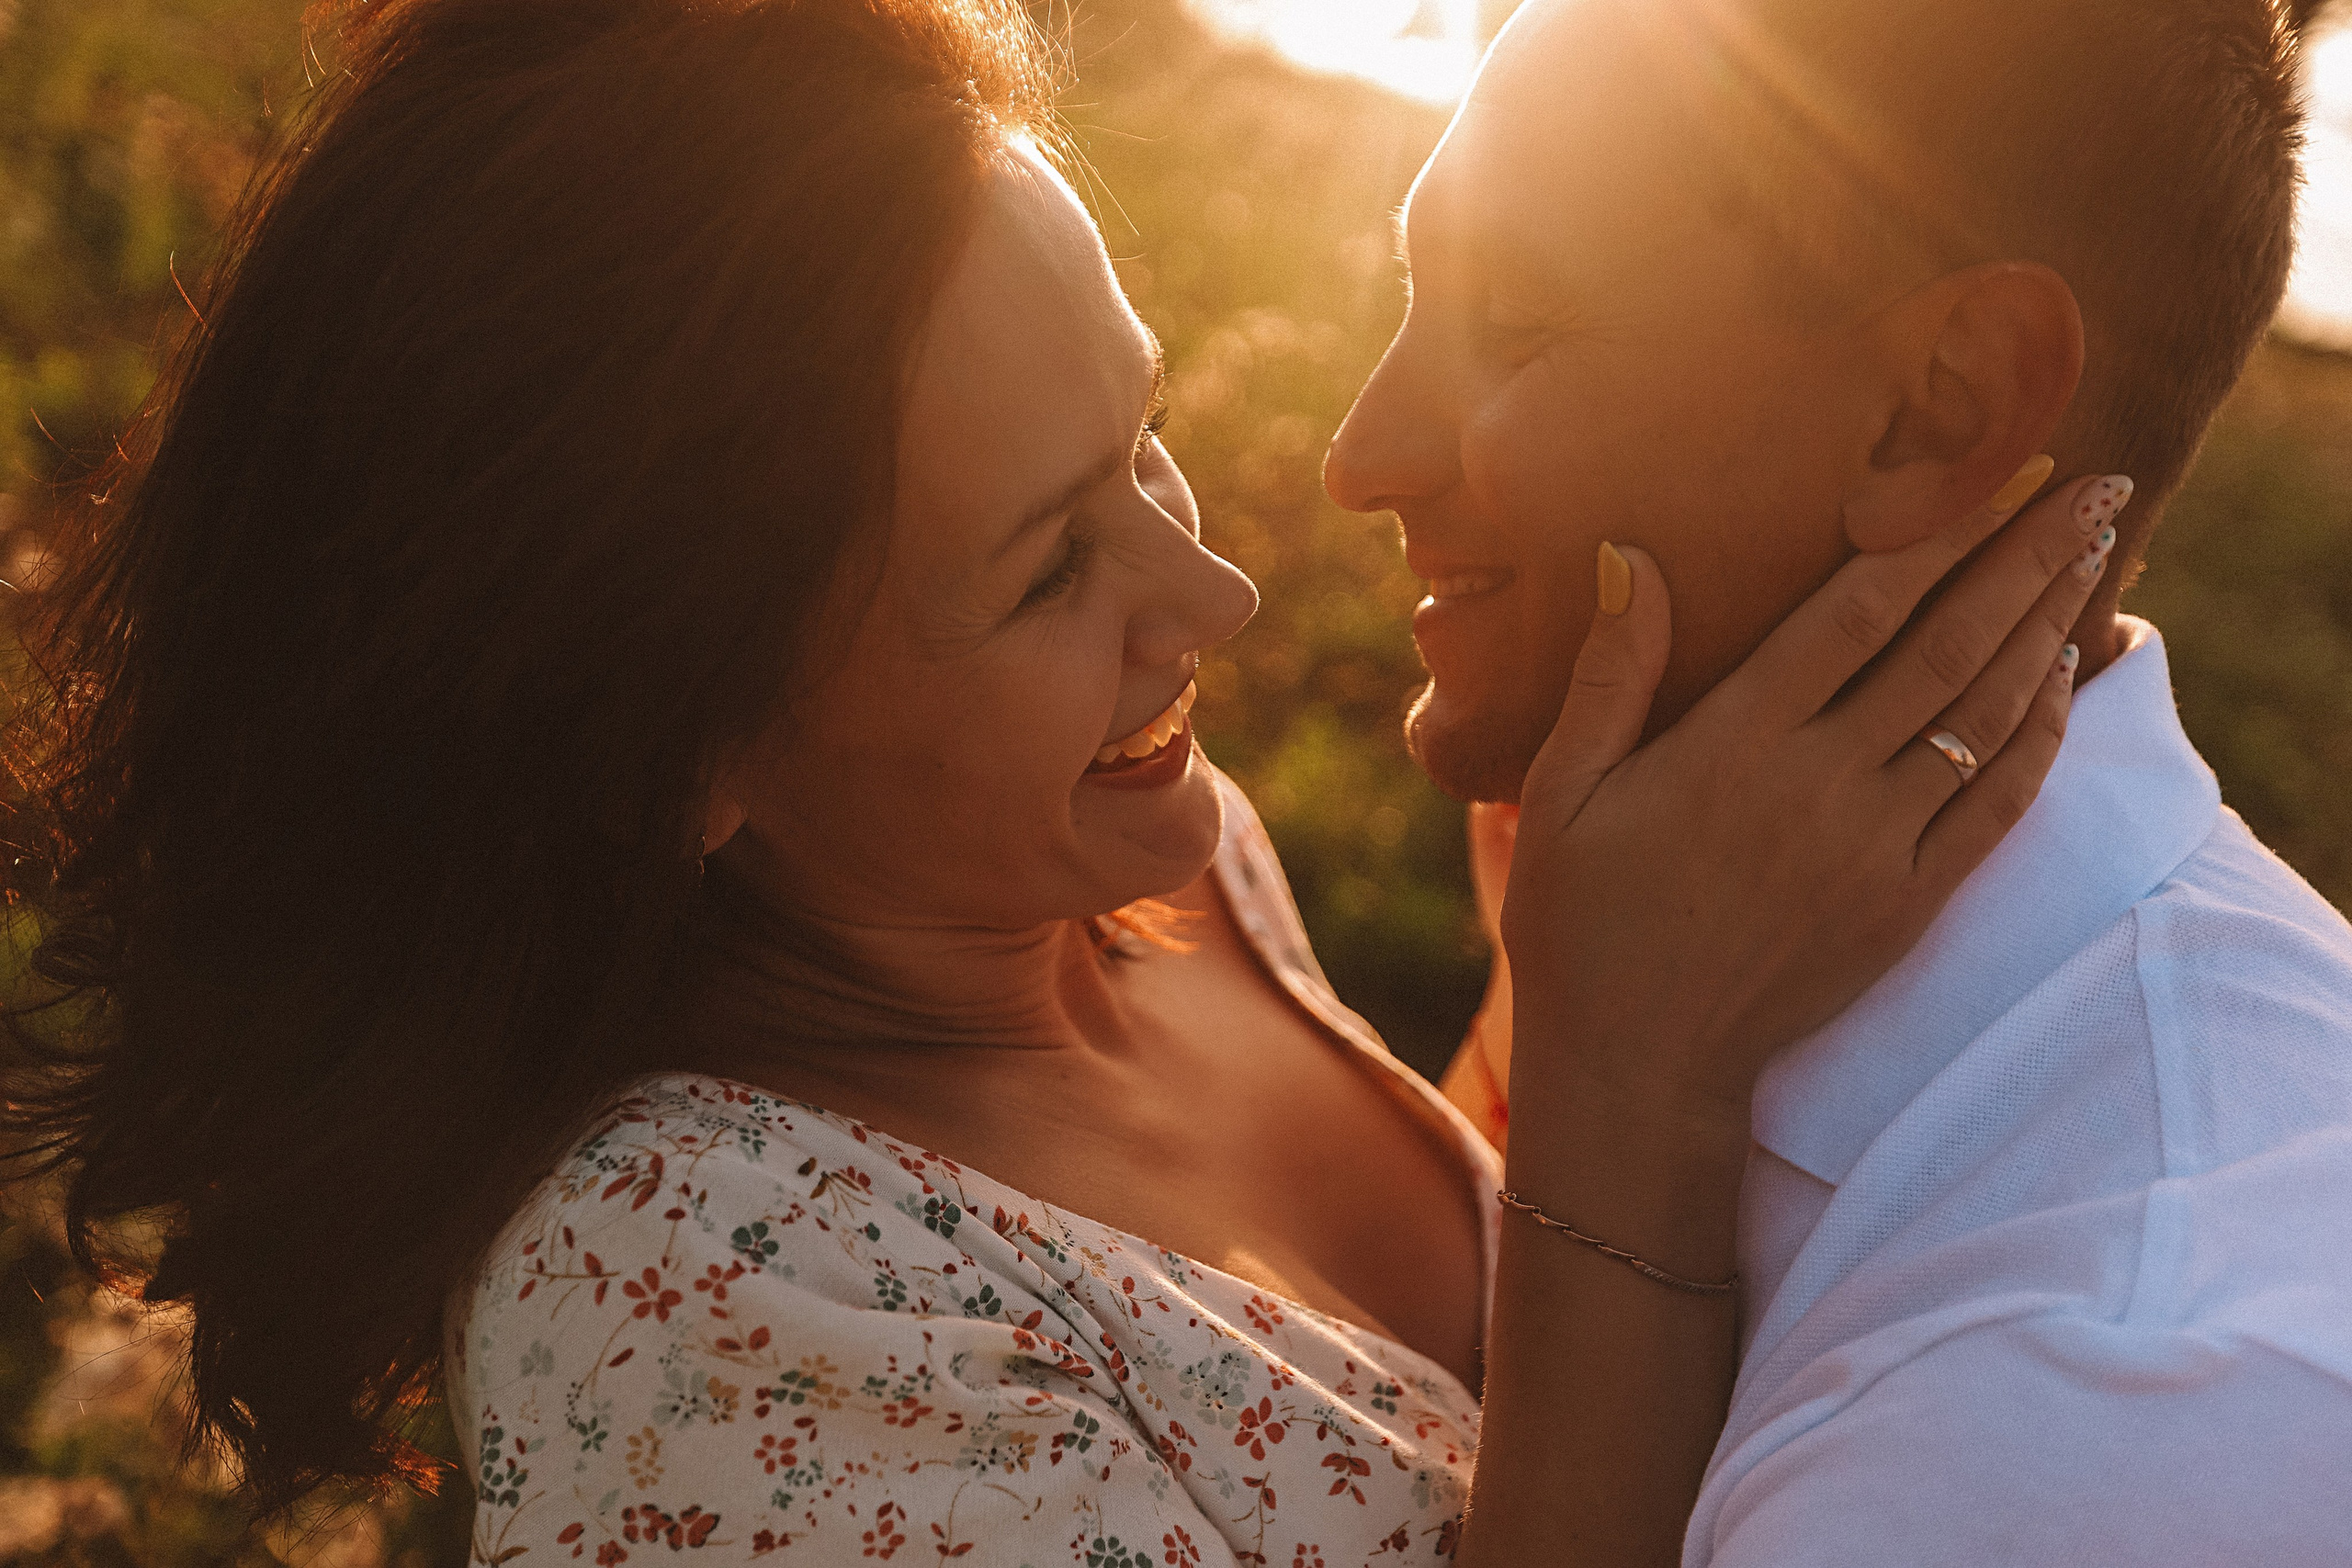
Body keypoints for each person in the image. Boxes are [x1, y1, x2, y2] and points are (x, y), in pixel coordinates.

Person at [0, 0, 2100, 1562]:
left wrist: (1548, 996)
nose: (1218, 587)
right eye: (1044, 565)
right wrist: (1629, 1118)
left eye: (1144, 441)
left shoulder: (1130, 872)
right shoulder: (700, 1332)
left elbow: (1394, 1383)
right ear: (674, 751)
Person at [1328, 0, 2352, 1560]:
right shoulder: (1633, 955)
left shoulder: (2105, 1407)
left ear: (1941, 403)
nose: (1362, 451)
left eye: (1518, 320)